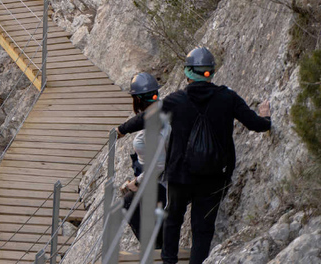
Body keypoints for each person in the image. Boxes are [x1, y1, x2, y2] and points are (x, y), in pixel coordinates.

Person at [116, 47, 271, 264]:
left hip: (181, 175)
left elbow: (145, 119)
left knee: (173, 219)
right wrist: (266, 117)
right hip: (215, 176)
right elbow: (256, 125)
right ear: (211, 72)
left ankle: (168, 261)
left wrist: (121, 130)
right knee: (202, 229)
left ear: (187, 73)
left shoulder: (176, 100)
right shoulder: (228, 97)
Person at [117, 72, 168, 250]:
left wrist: (136, 182)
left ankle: (154, 251)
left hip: (164, 182)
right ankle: (157, 249)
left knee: (128, 202)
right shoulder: (162, 112)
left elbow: (160, 165)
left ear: (137, 100)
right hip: (162, 179)